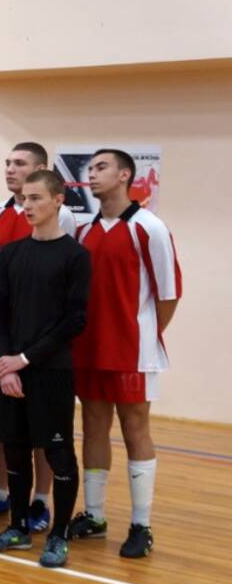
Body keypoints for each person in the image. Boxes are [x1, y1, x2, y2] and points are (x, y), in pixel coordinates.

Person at [67, 148, 182, 558]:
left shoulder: (149, 227)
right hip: (89, 348)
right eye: (90, 168)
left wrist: (144, 336)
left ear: (125, 175)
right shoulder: (83, 231)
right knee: (93, 426)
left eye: (101, 167)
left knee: (135, 429)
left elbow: (168, 295)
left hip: (133, 352)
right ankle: (95, 515)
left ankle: (141, 525)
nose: (92, 174)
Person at [0, 170, 90, 567]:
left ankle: (58, 534)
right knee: (15, 451)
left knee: (59, 454)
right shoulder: (11, 254)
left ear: (58, 200)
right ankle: (18, 528)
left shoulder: (75, 256)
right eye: (24, 198)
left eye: (36, 198)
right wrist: (6, 367)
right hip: (11, 371)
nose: (27, 205)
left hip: (52, 371)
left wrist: (25, 359)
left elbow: (74, 321)